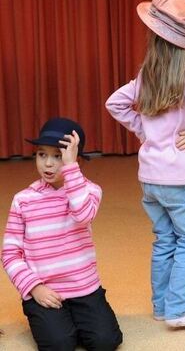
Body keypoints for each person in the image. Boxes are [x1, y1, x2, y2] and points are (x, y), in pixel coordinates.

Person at [106, 0, 185, 327]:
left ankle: (161, 305)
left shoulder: (147, 75)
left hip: (150, 178)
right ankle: (178, 310)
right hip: (181, 179)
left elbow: (115, 103)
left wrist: (144, 130)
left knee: (165, 239)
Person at [2, 118, 123, 349]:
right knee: (59, 345)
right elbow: (10, 253)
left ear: (74, 159)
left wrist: (71, 169)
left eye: (58, 156)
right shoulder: (23, 200)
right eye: (41, 154)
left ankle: (71, 321)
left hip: (84, 288)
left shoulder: (89, 190)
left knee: (105, 341)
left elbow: (83, 215)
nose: (48, 164)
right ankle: (55, 321)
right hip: (44, 289)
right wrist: (34, 288)